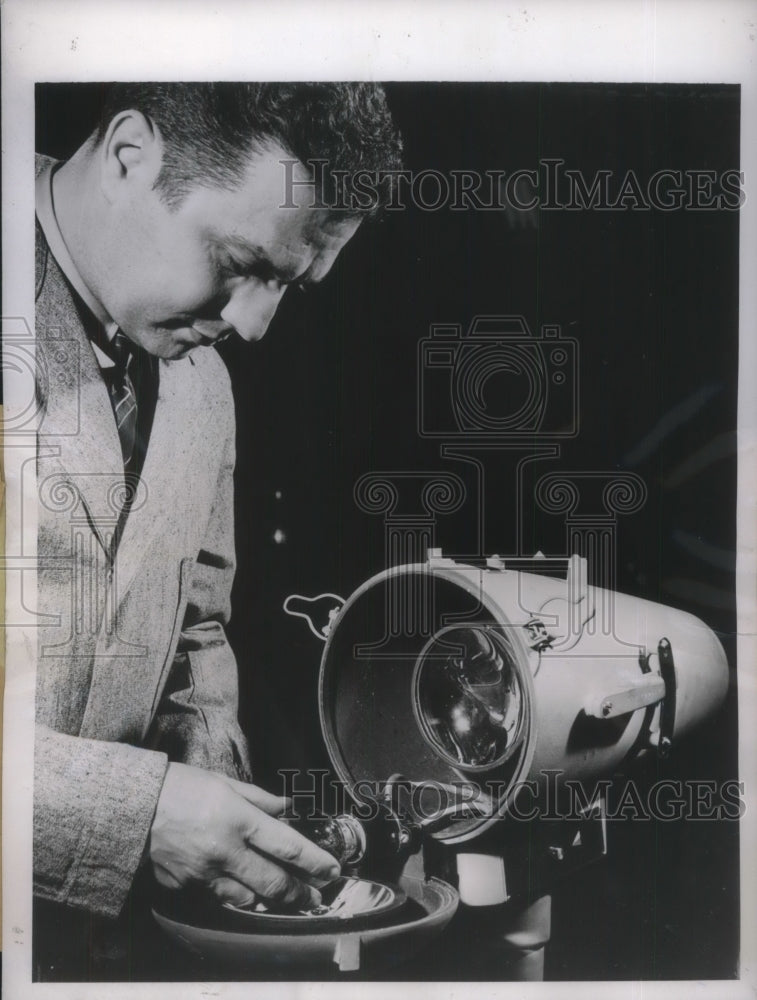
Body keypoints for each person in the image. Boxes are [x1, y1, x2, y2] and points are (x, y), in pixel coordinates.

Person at [33, 82, 403, 979]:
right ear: (129, 154)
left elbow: (194, 627)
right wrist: (138, 817)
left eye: (286, 284)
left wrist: (210, 776)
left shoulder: (197, 379)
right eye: (241, 260)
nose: (253, 323)